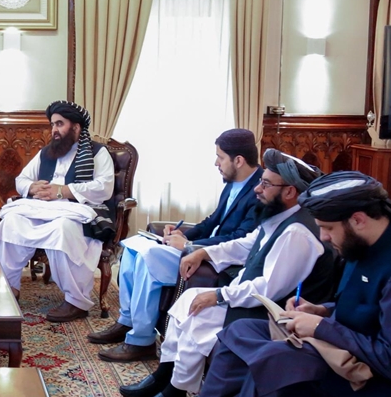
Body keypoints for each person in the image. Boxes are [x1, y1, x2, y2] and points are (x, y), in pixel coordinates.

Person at [193, 171, 391, 397]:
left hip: (383, 385)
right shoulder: (361, 241)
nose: (323, 237)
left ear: (358, 220)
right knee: (239, 331)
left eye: (328, 228)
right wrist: (322, 310)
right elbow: (370, 306)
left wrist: (320, 327)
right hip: (346, 350)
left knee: (274, 360)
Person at [121, 149, 335, 397]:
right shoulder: (279, 217)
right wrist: (202, 252)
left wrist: (220, 295)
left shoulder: (297, 233)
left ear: (290, 192)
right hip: (247, 299)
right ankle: (164, 376)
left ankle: (174, 396)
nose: (257, 189)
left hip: (270, 313)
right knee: (187, 301)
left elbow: (268, 288)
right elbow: (244, 244)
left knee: (197, 316)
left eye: (266, 184)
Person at [90, 128, 264, 363]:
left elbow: (240, 238)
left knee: (149, 256)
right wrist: (181, 233)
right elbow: (212, 221)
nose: (216, 163)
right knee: (132, 248)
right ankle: (127, 321)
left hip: (215, 258)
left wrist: (190, 244)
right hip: (199, 247)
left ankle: (141, 341)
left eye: (220, 157)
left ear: (239, 160)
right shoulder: (233, 182)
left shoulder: (259, 191)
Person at [0, 100, 115, 322]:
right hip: (43, 209)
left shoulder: (98, 152)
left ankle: (76, 301)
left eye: (60, 124)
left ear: (76, 127)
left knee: (62, 229)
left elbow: (104, 187)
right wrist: (31, 187)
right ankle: (10, 289)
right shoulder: (46, 153)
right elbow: (22, 179)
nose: (54, 130)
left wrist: (64, 191)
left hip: (76, 210)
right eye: (52, 125)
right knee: (11, 222)